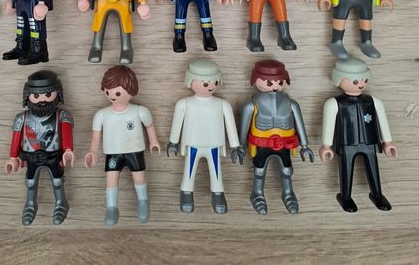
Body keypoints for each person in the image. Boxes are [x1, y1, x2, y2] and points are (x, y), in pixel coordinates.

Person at [85, 65, 160, 226]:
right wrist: (92, 151)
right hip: (113, 153)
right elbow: (96, 136)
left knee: (139, 178)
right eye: (108, 91)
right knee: (111, 180)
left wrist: (153, 141)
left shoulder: (140, 111)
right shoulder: (101, 115)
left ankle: (143, 201)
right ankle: (111, 207)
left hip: (135, 152)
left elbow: (149, 126)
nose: (112, 95)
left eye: (117, 93)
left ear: (131, 90)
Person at [167, 59, 244, 214]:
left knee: (216, 172)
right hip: (193, 144)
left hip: (213, 144)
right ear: (190, 81)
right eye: (205, 83)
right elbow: (177, 124)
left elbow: (231, 126)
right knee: (189, 171)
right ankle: (186, 194)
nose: (210, 86)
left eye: (214, 82)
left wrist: (236, 146)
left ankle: (218, 195)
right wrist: (173, 142)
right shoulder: (184, 103)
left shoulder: (223, 104)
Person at [320, 57, 397, 212]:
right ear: (339, 79)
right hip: (347, 143)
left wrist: (388, 142)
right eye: (355, 81)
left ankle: (377, 195)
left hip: (370, 141)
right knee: (346, 170)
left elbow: (382, 120)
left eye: (364, 79)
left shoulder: (373, 101)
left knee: (373, 169)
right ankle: (345, 197)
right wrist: (326, 145)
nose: (361, 84)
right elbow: (329, 124)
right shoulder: (334, 103)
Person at [240, 60, 313, 215]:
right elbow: (244, 127)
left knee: (287, 170)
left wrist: (305, 146)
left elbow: (300, 123)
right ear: (255, 80)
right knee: (259, 171)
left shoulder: (291, 104)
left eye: (279, 82)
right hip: (261, 145)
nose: (274, 86)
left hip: (285, 145)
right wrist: (239, 145)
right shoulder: (251, 105)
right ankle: (257, 194)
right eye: (269, 82)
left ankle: (288, 193)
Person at [6, 70, 74, 226]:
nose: (42, 100)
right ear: (28, 96)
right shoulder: (22, 118)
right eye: (36, 96)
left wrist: (68, 150)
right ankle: (30, 204)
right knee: (30, 182)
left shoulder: (62, 116)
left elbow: (66, 134)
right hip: (31, 156)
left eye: (48, 94)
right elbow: (16, 138)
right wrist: (12, 157)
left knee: (58, 181)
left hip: (54, 156)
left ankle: (61, 203)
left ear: (58, 94)